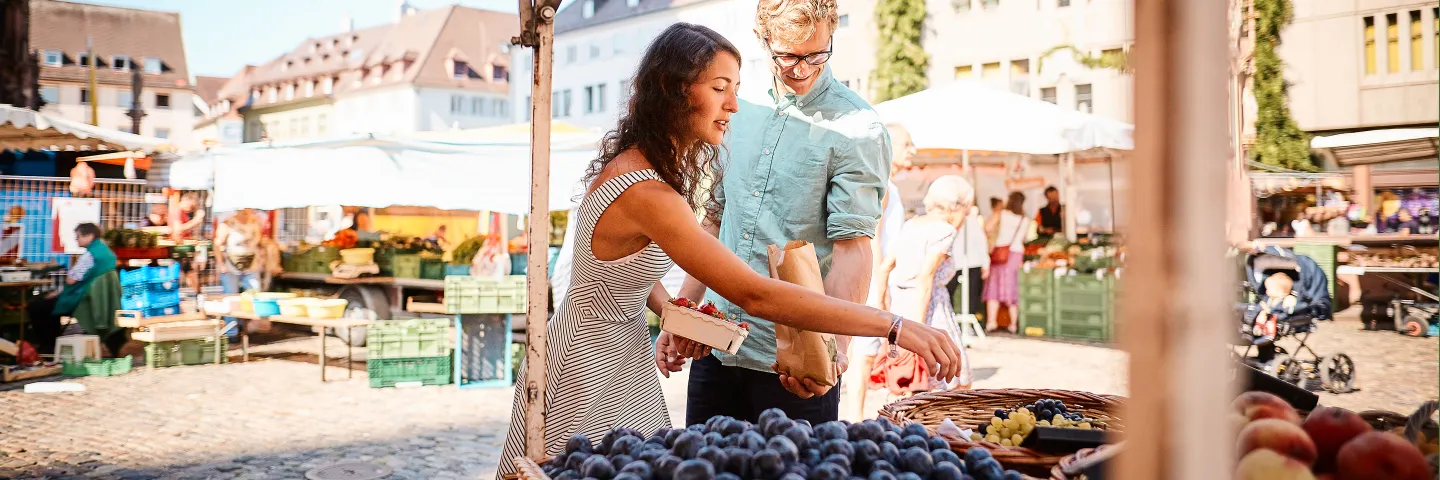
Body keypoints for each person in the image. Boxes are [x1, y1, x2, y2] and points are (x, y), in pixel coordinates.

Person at [495, 24, 961, 477]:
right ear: (674, 90)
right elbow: (755, 294)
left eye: (735, 88)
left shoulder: (644, 169)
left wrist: (675, 312)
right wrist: (894, 325)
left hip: (619, 355)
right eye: (720, 89)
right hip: (590, 366)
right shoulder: (647, 192)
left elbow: (624, 273)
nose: (734, 105)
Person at [665, 0, 894, 427]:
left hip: (794, 364)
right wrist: (684, 311)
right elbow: (715, 222)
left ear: (831, 34)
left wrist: (834, 352)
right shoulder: (737, 106)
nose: (802, 69)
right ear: (761, 39)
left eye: (816, 54)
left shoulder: (858, 128)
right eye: (787, 55)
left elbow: (853, 251)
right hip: (716, 351)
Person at [873, 175, 976, 393]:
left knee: (914, 382)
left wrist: (882, 304)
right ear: (956, 206)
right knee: (955, 377)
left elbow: (885, 267)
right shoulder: (945, 231)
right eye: (966, 208)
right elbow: (925, 278)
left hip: (901, 306)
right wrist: (919, 328)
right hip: (928, 307)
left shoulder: (912, 225)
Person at [846, 123, 913, 421]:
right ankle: (855, 417)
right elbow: (872, 237)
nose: (913, 151)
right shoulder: (882, 184)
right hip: (874, 277)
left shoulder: (890, 185)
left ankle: (857, 414)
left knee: (867, 352)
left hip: (880, 276)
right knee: (864, 352)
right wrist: (880, 286)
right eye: (907, 144)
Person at [27, 223, 123, 356]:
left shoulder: (89, 255)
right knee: (48, 303)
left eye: (78, 237)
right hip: (99, 299)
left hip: (83, 298)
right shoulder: (106, 252)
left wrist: (59, 272)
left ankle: (49, 346)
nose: (76, 240)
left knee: (38, 307)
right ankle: (51, 345)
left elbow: (71, 280)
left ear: (89, 236)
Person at [984, 191, 1035, 333]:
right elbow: (1025, 238)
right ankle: (1013, 324)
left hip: (1001, 252)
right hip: (1017, 253)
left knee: (994, 285)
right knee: (1012, 286)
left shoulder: (1002, 214)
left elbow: (987, 227)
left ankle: (992, 322)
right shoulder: (1025, 219)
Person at [215, 210, 263, 339]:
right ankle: (231, 332)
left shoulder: (255, 222)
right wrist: (221, 264)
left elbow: (259, 242)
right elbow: (217, 243)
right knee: (231, 298)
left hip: (251, 264)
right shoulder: (228, 223)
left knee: (255, 294)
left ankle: (249, 327)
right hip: (231, 265)